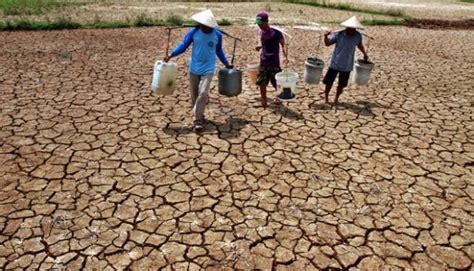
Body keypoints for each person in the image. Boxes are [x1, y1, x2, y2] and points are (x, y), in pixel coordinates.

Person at [164, 9, 232, 133]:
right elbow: (183, 46)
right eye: (202, 24)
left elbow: (219, 51)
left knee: (203, 93)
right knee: (194, 95)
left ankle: (197, 120)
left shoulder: (217, 35)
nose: (204, 27)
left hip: (208, 68)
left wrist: (226, 63)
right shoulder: (194, 32)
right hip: (194, 67)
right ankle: (199, 115)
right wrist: (171, 55)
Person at [323, 16, 369, 104]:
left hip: (347, 65)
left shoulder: (358, 36)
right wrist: (325, 36)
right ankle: (326, 98)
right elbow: (327, 43)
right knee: (329, 82)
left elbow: (360, 45)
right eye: (348, 27)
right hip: (335, 63)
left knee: (341, 85)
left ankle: (336, 98)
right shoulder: (339, 34)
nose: (350, 29)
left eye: (352, 28)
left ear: (355, 28)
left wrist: (364, 53)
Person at [255, 11, 289, 108]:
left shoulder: (276, 32)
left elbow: (284, 44)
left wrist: (286, 56)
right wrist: (259, 46)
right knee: (262, 83)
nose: (259, 26)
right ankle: (264, 100)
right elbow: (261, 41)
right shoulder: (260, 31)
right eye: (258, 24)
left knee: (277, 83)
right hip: (263, 62)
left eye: (261, 24)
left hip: (274, 62)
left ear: (266, 21)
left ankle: (278, 97)